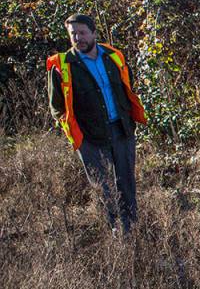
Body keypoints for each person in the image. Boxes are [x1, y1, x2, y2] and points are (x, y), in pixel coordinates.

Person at [47, 13, 146, 233]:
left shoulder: (113, 57)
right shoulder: (62, 67)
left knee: (126, 182)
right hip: (90, 138)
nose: (77, 38)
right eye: (73, 34)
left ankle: (133, 230)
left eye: (82, 32)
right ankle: (115, 234)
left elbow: (127, 88)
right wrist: (79, 139)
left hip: (122, 129)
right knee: (104, 189)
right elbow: (57, 108)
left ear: (93, 33)